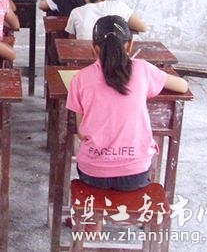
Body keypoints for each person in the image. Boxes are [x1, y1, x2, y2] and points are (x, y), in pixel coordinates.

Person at [66, 15, 188, 193]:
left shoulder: (79, 78)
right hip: (136, 173)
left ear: (94, 48)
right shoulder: (143, 69)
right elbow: (183, 86)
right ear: (130, 46)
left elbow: (82, 132)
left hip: (93, 173)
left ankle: (95, 213)